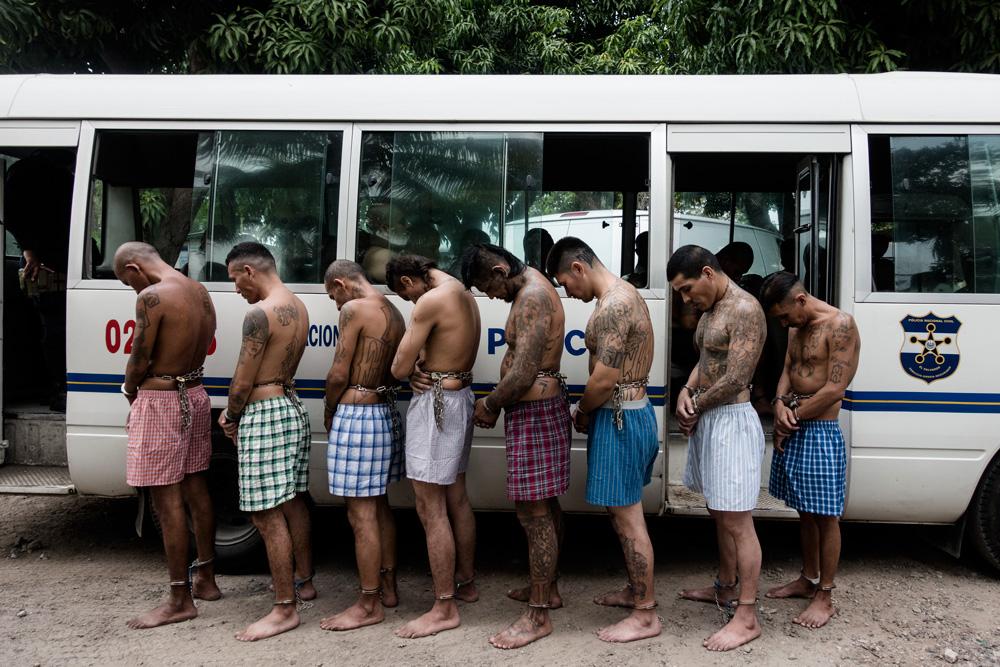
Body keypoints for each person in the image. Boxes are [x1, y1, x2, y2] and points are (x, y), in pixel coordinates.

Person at [546, 237, 661, 643]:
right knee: (620, 513)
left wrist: (582, 410)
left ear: (579, 268)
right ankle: (635, 590)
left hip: (619, 418)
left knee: (628, 518)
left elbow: (605, 378)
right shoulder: (623, 292)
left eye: (564, 282)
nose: (566, 292)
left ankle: (646, 614)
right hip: (629, 414)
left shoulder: (613, 306)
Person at [461, 243, 570, 650]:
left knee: (534, 513)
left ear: (500, 268)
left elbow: (524, 371)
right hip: (537, 410)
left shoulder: (531, 297)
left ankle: (538, 615)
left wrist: (490, 404)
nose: (490, 295)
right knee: (545, 506)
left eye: (487, 285)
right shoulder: (532, 289)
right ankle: (549, 589)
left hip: (536, 412)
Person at [113, 242, 221, 628]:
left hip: (160, 398)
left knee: (166, 498)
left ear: (133, 268)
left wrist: (129, 388)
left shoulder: (153, 297)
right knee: (195, 486)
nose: (133, 291)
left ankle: (179, 598)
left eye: (128, 283)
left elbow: (139, 356)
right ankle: (206, 578)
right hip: (195, 391)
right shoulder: (199, 290)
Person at [667, 244, 767, 652]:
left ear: (708, 273)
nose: (686, 299)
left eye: (688, 289)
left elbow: (737, 378)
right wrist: (686, 392)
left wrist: (694, 407)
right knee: (718, 512)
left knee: (738, 521)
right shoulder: (712, 309)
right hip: (710, 418)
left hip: (732, 421)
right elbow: (708, 362)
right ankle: (725, 588)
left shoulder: (745, 309)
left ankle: (747, 616)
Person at [220, 242, 314, 642]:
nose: (236, 289)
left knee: (264, 513)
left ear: (248, 270)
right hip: (290, 406)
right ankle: (304, 580)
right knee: (292, 500)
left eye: (234, 280)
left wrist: (231, 414)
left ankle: (283, 608)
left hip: (264, 411)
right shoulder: (298, 304)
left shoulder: (259, 313)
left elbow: (244, 377)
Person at [759, 272, 860, 629]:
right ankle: (807, 577)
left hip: (819, 429)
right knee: (804, 511)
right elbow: (787, 369)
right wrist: (779, 404)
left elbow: (835, 389)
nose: (784, 322)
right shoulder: (794, 328)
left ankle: (826, 594)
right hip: (795, 423)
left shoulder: (841, 325)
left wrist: (795, 415)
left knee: (825, 515)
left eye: (785, 315)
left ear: (800, 300)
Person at [386, 254, 480, 638]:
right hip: (461, 396)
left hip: (438, 403)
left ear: (409, 281)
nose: (410, 303)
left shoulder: (431, 299)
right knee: (456, 497)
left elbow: (397, 366)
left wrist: (412, 371)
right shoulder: (465, 294)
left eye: (404, 296)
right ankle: (466, 582)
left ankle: (443, 607)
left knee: (429, 506)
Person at [319, 260, 406, 631]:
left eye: (332, 295)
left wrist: (329, 409)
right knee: (379, 505)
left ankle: (368, 603)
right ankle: (387, 587)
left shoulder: (355, 309)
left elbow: (340, 371)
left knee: (360, 513)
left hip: (357, 412)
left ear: (341, 284)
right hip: (384, 411)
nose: (335, 304)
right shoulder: (395, 311)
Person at [4, 154, 73, 411]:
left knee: (50, 328)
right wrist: (31, 249)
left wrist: (29, 249)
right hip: (52, 265)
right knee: (55, 328)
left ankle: (57, 387)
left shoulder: (21, 173)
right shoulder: (57, 179)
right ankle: (60, 388)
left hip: (48, 264)